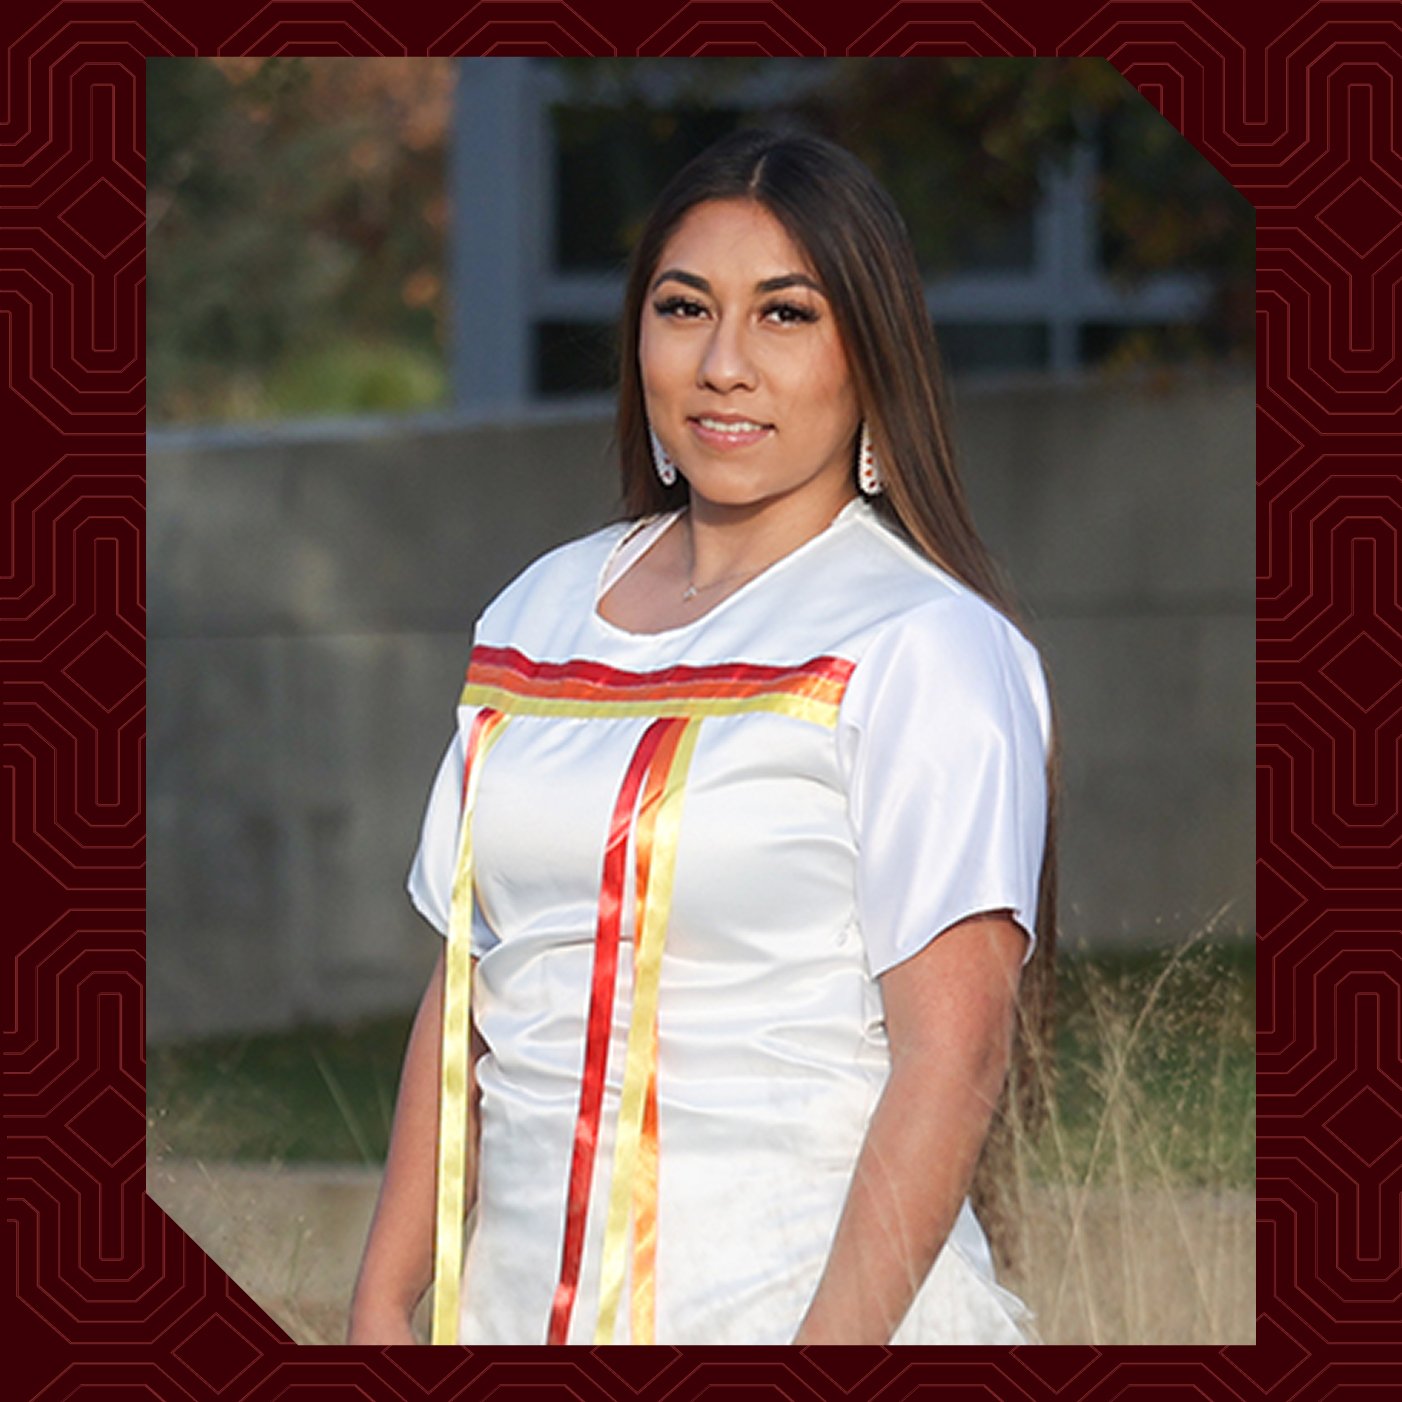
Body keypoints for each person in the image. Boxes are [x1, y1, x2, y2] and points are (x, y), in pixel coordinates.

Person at [348, 128, 1059, 1347]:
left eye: (786, 316)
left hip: (808, 1318)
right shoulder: (535, 613)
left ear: (868, 356)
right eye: (686, 308)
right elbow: (468, 984)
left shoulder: (923, 643)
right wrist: (378, 1301)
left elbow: (955, 1060)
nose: (725, 363)